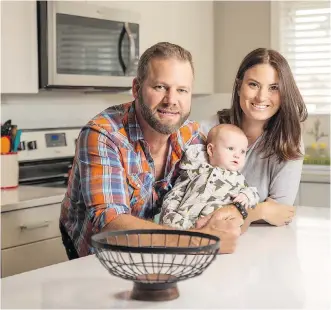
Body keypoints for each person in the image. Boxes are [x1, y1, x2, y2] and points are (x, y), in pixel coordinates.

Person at [59, 42, 243, 259]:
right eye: (160, 87)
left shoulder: (190, 134)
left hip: (159, 252)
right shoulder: (103, 134)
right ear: (137, 88)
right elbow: (110, 223)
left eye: (182, 90)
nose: (171, 100)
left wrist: (231, 210)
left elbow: (221, 182)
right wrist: (199, 241)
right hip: (97, 255)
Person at [199, 48, 308, 232]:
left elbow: (281, 212)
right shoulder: (209, 129)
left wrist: (243, 213)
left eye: (274, 88)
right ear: (239, 86)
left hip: (263, 245)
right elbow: (194, 196)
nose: (261, 97)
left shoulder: (289, 141)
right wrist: (261, 210)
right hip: (205, 236)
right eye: (253, 84)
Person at [160, 124, 260, 229]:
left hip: (213, 227)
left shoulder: (237, 178)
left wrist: (246, 196)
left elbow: (253, 193)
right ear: (211, 150)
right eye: (231, 148)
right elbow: (176, 193)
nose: (237, 155)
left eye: (242, 151)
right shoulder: (194, 170)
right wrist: (171, 214)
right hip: (183, 223)